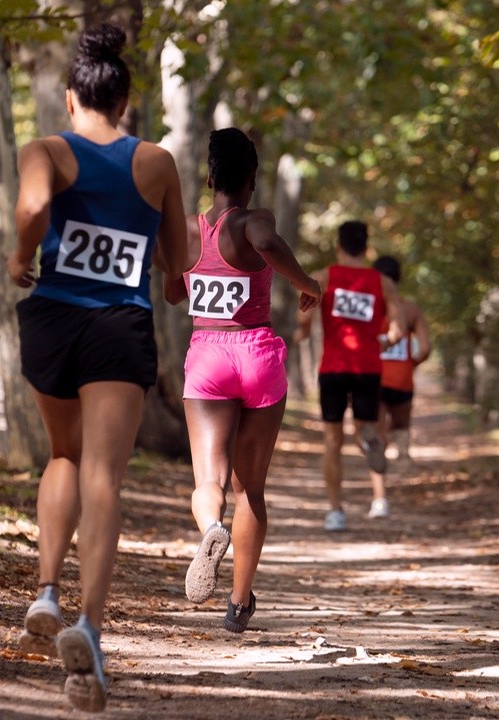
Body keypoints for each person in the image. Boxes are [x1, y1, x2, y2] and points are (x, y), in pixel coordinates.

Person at [6, 23, 186, 713]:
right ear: (126, 101)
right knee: (107, 474)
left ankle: (46, 590)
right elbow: (177, 268)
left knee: (63, 456)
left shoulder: (47, 149)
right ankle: (90, 626)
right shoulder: (158, 163)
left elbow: (32, 207)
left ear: (72, 97)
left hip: (53, 319)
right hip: (118, 325)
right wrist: (169, 280)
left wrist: (25, 255)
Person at [165, 128, 321, 633]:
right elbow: (269, 244)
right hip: (256, 354)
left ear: (209, 177)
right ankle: (237, 604)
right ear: (251, 178)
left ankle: (212, 528)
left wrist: (187, 274)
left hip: (207, 356)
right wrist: (307, 284)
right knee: (250, 487)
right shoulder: (255, 219)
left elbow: (172, 291)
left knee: (209, 480)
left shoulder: (188, 229)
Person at [295, 221, 402, 531]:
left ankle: (335, 511)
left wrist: (300, 333)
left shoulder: (325, 278)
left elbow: (304, 320)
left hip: (334, 369)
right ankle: (371, 451)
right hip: (368, 368)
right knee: (366, 429)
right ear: (367, 248)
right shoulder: (384, 283)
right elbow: (395, 329)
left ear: (338, 246)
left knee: (332, 441)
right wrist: (384, 341)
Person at [373, 256, 431, 464]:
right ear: (399, 278)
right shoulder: (411, 310)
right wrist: (410, 364)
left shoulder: (369, 308)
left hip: (373, 378)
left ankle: (378, 471)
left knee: (376, 427)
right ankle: (403, 461)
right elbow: (425, 348)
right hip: (402, 379)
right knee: (402, 426)